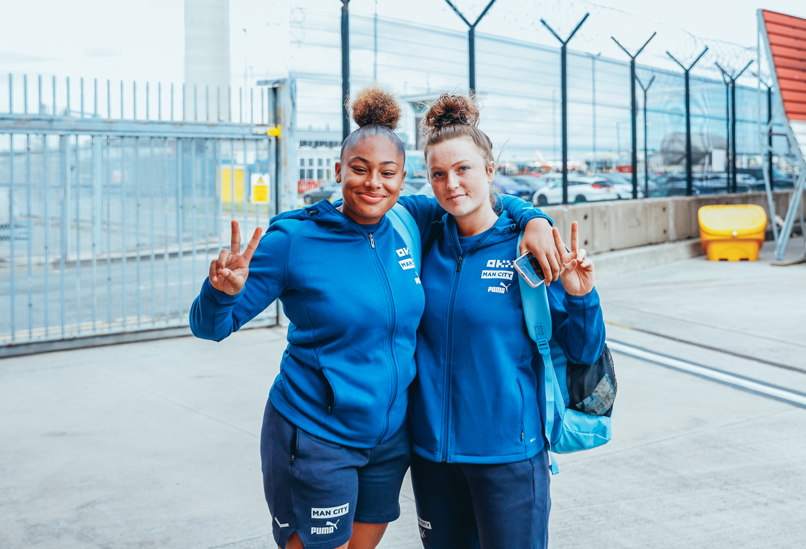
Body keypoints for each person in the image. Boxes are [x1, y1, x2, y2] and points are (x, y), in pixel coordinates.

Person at [189, 86, 561, 549]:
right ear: (338, 170)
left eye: (387, 172)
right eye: (359, 170)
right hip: (317, 434)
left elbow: (482, 198)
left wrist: (534, 219)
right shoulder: (294, 239)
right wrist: (220, 294)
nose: (373, 183)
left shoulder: (411, 220)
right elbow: (210, 325)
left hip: (389, 444)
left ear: (404, 179)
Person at [407, 93, 607, 549]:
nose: (451, 183)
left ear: (490, 170)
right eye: (438, 174)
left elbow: (583, 350)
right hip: (433, 460)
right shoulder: (424, 240)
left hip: (509, 458)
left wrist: (581, 297)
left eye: (464, 169)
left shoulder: (527, 248)